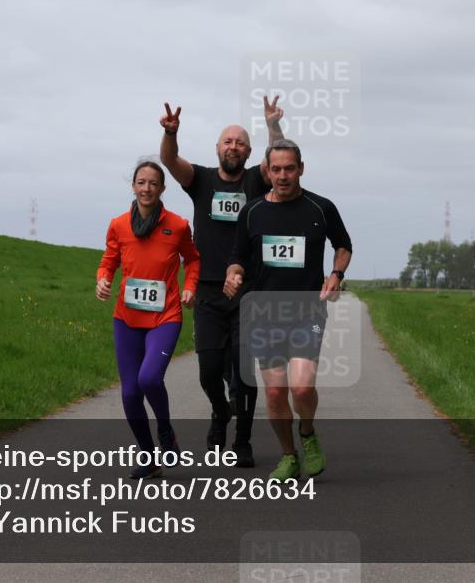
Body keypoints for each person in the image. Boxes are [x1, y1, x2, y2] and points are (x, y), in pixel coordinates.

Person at [159, 98, 286, 467]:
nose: (234, 146)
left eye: (241, 142)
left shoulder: (256, 180)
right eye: (227, 141)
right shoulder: (200, 180)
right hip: (209, 290)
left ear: (249, 152)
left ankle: (242, 442)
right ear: (217, 149)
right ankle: (220, 412)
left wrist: (273, 126)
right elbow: (169, 161)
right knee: (210, 371)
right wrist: (170, 134)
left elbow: (279, 160)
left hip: (249, 290)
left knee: (244, 371)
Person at [224, 139, 352, 481]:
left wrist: (337, 274)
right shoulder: (251, 212)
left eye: (289, 168)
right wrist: (233, 275)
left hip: (308, 311)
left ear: (301, 169)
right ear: (267, 170)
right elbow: (237, 257)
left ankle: (307, 435)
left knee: (302, 387)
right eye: (276, 169)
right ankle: (288, 455)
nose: (283, 176)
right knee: (276, 391)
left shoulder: (321, 208)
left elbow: (343, 245)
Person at [96, 160, 200, 480]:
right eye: (141, 182)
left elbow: (193, 259)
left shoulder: (177, 225)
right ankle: (147, 454)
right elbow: (109, 260)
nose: (146, 188)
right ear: (133, 186)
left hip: (164, 317)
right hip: (127, 319)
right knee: (129, 393)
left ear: (162, 189)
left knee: (150, 379)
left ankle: (166, 432)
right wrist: (102, 278)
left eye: (153, 183)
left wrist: (189, 287)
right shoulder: (118, 225)